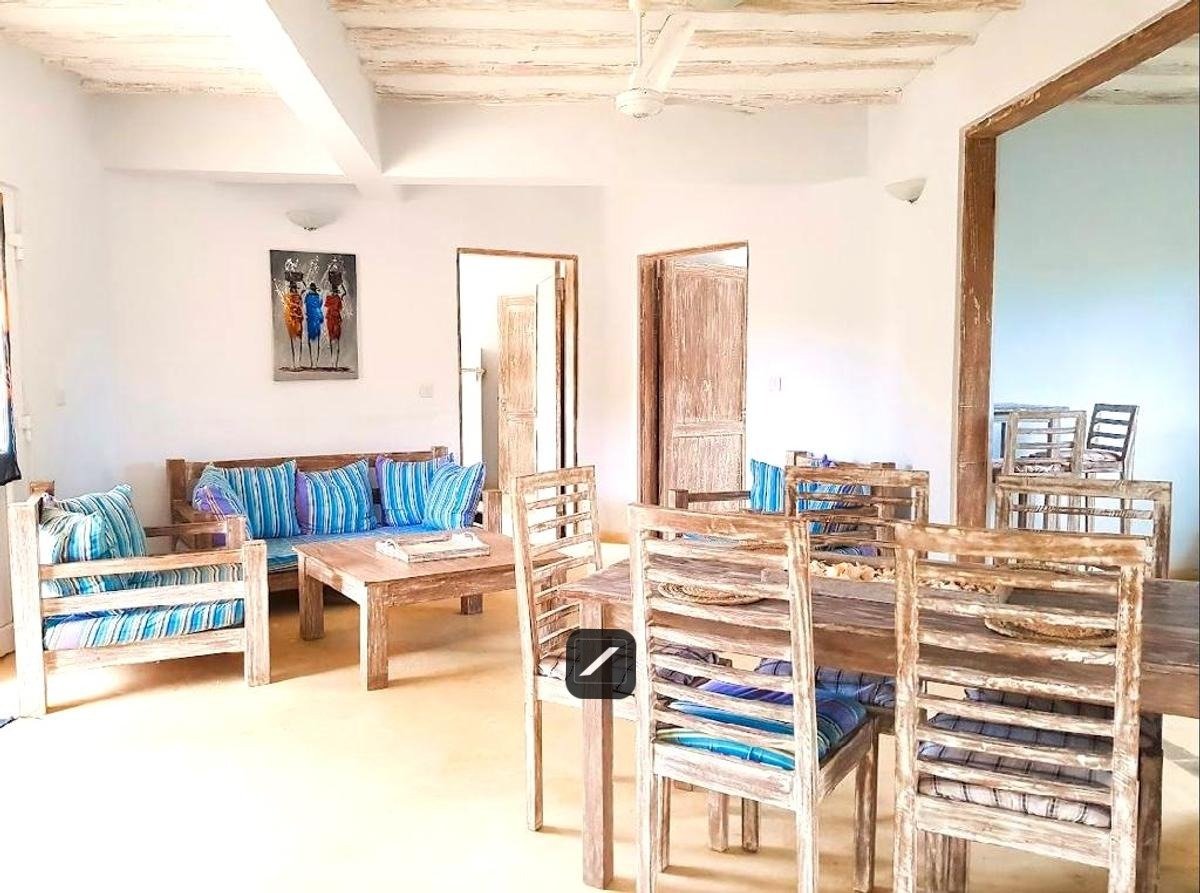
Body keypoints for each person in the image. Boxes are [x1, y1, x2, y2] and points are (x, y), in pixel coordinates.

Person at [304, 281, 324, 368]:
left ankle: (312, 363)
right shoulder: (317, 297)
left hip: (311, 319)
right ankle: (315, 363)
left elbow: (306, 307)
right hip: (315, 319)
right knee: (317, 341)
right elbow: (319, 306)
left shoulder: (307, 297)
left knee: (311, 340)